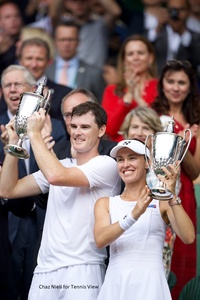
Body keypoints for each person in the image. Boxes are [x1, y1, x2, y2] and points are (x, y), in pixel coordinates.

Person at [0, 101, 121, 300]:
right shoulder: (61, 164)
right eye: (73, 126)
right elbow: (7, 189)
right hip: (45, 269)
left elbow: (57, 176)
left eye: (85, 127)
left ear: (101, 130)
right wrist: (14, 142)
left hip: (83, 268)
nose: (77, 132)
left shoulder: (107, 164)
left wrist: (34, 134)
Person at [94, 139, 195, 300]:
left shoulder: (162, 201)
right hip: (116, 283)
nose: (125, 164)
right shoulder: (105, 203)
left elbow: (189, 237)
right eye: (120, 159)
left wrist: (172, 196)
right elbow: (100, 240)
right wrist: (134, 214)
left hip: (151, 285)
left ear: (147, 162)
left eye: (132, 158)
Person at [0, 64, 67, 300]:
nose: (12, 89)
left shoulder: (57, 127)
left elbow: (64, 169)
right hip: (7, 219)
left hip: (44, 219)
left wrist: (49, 149)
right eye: (7, 85)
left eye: (18, 84)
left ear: (31, 89)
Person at [151, 59, 200, 299]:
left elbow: (195, 169)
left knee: (181, 251)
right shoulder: (152, 116)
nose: (176, 87)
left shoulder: (196, 122)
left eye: (182, 82)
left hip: (184, 195)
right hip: (153, 191)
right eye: (171, 81)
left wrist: (183, 143)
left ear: (191, 87)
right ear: (162, 84)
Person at [119, 106, 180, 280]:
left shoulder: (167, 164)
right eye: (135, 127)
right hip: (126, 230)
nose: (139, 132)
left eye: (146, 128)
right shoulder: (117, 161)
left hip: (156, 231)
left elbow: (171, 198)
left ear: (156, 135)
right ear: (126, 131)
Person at [29, 0, 121, 69]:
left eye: (83, 0)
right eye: (74, 0)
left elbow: (115, 11)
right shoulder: (61, 26)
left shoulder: (100, 26)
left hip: (93, 77)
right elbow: (53, 14)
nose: (79, 4)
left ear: (90, 2)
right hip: (64, 74)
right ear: (66, 3)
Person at [101, 34, 158, 142]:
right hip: (120, 152)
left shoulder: (161, 87)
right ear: (124, 60)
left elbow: (161, 124)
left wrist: (139, 100)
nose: (136, 57)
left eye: (140, 53)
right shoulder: (112, 90)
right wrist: (128, 96)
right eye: (130, 54)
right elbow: (109, 130)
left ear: (150, 58)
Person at [18, 37, 72, 130]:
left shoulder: (65, 93)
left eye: (39, 59)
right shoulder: (9, 90)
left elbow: (68, 129)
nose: (34, 64)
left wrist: (48, 106)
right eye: (29, 58)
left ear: (49, 62)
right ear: (20, 61)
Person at [46, 20, 106, 102]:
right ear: (55, 42)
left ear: (78, 41)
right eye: (62, 40)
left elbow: (101, 104)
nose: (66, 44)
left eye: (71, 40)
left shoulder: (94, 73)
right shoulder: (45, 70)